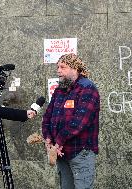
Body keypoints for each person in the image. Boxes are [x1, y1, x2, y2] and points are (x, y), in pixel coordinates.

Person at [42, 53, 100, 189]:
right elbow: (47, 117)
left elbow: (80, 122)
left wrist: (59, 141)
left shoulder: (87, 88)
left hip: (80, 152)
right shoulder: (59, 90)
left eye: (63, 67)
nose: (58, 70)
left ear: (75, 68)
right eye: (57, 67)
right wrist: (48, 138)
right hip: (61, 152)